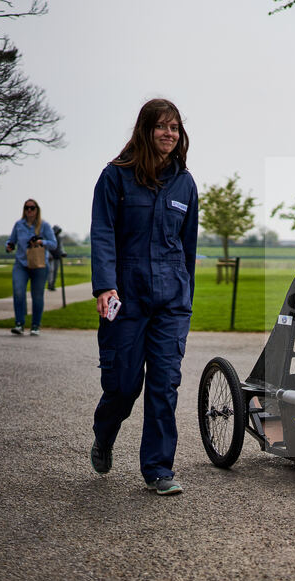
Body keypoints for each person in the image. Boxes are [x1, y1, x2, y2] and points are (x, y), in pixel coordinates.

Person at [88, 98, 199, 496]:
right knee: (123, 384)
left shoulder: (185, 183)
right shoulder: (115, 176)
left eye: (174, 127)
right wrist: (104, 285)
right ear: (145, 129)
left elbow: (188, 245)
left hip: (171, 299)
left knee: (164, 384)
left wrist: (185, 291)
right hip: (126, 295)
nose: (168, 134)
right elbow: (102, 233)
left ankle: (158, 469)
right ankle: (104, 434)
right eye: (161, 126)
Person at [5, 199, 57, 336]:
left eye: (32, 208)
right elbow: (11, 240)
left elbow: (54, 244)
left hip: (39, 265)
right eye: (26, 208)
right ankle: (19, 323)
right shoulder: (18, 225)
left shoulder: (44, 225)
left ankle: (35, 325)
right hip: (21, 264)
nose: (29, 210)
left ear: (37, 210)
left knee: (37, 296)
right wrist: (9, 245)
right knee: (18, 292)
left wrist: (41, 241)